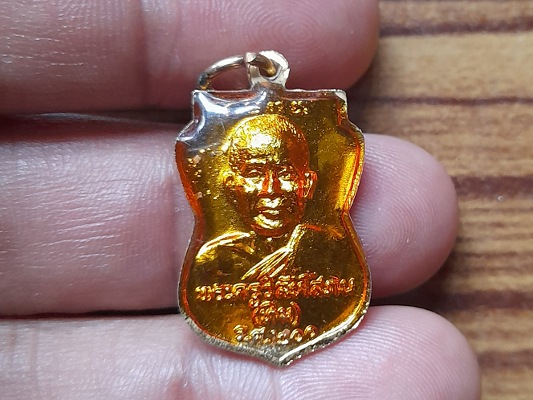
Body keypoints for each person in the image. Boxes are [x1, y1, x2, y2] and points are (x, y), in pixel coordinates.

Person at [0, 1, 480, 398]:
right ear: (230, 185)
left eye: (285, 175)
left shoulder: (327, 252)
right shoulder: (218, 261)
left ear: (308, 183)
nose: (271, 190)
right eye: (254, 174)